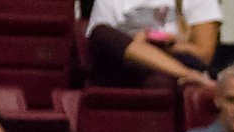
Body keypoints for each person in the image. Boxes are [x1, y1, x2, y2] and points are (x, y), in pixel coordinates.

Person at [86, 0, 219, 89]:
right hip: (129, 65)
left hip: (177, 59)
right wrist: (137, 43)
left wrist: (167, 45)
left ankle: (187, 74)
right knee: (100, 32)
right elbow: (101, 42)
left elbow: (204, 55)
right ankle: (188, 74)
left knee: (160, 81)